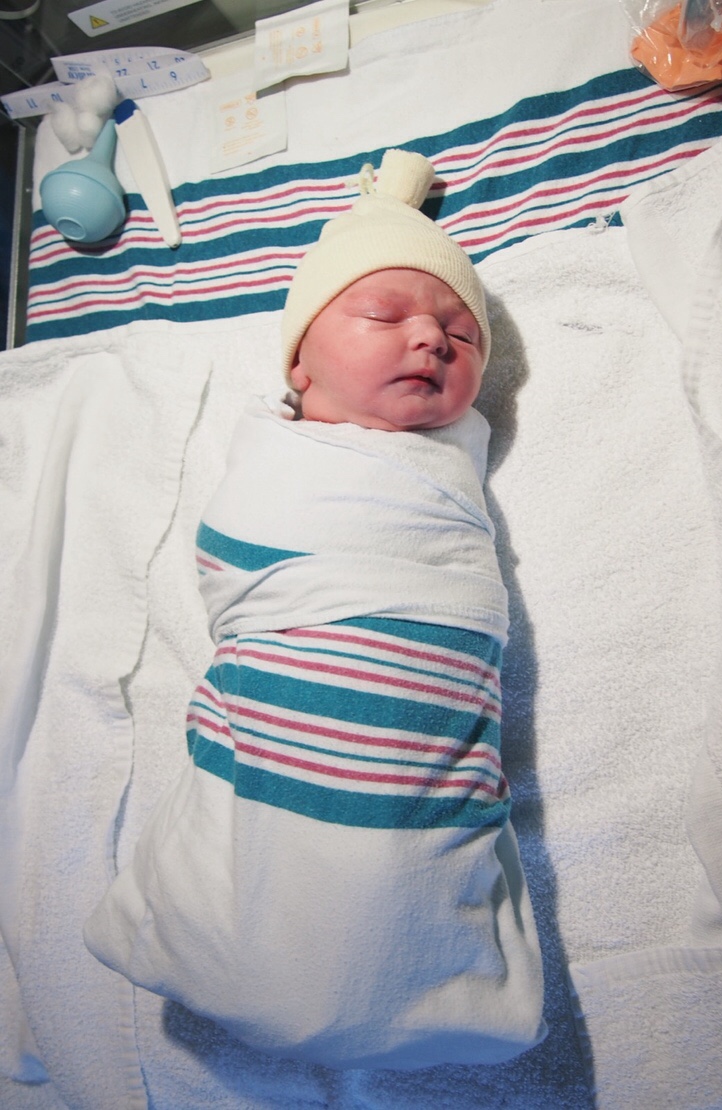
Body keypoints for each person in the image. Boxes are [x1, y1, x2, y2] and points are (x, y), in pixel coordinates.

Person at [84, 149, 546, 1071]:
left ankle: (407, 966)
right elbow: (234, 567)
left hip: (421, 748)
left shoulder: (447, 464)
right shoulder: (280, 469)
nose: (433, 339)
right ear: (299, 362)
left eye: (463, 337)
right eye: (387, 315)